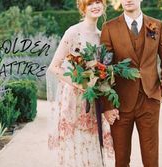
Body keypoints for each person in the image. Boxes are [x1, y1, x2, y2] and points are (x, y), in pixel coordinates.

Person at [100, 0, 162, 166]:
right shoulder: (109, 27)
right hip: (119, 105)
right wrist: (107, 105)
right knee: (121, 159)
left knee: (151, 159)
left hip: (149, 101)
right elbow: (103, 68)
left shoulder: (156, 25)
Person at [46, 0, 117, 166]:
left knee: (92, 139)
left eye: (98, 2)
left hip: (94, 98)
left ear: (104, 5)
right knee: (76, 141)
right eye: (90, 3)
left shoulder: (102, 36)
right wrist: (81, 84)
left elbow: (104, 68)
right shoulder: (73, 32)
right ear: (83, 7)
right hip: (74, 98)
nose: (95, 6)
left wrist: (101, 82)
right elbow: (54, 67)